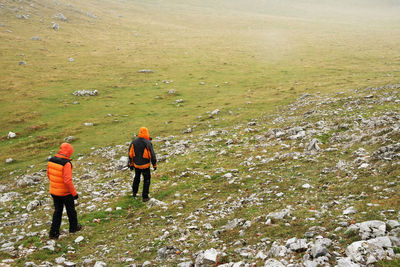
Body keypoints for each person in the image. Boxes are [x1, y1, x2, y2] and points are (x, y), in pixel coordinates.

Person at [47, 143, 81, 239]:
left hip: (54, 192)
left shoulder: (51, 160)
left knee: (57, 211)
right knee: (71, 211)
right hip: (65, 193)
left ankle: (53, 233)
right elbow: (67, 180)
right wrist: (74, 193)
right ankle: (74, 228)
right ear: (68, 152)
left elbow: (49, 175)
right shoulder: (66, 164)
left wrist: (55, 186)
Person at [128, 127, 157, 202]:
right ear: (147, 133)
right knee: (146, 180)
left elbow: (130, 154)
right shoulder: (147, 142)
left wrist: (131, 165)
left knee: (137, 178)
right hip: (145, 165)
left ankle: (134, 192)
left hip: (136, 165)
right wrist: (154, 164)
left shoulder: (133, 142)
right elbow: (152, 154)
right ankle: (145, 196)